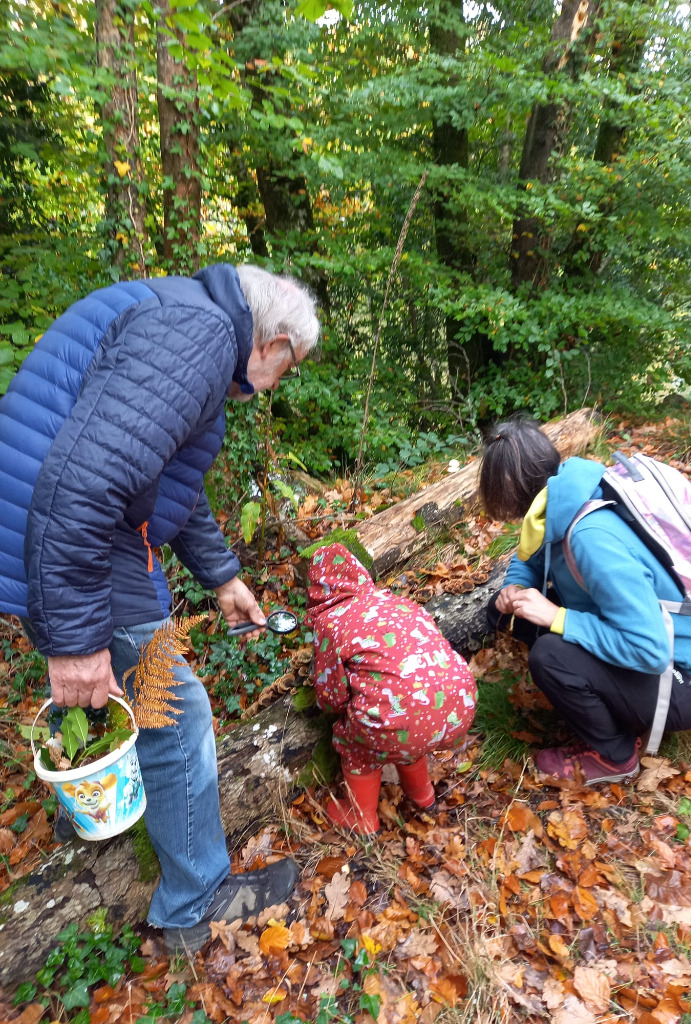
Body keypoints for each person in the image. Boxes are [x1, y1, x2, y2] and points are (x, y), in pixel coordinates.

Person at [0, 263, 320, 952]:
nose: (273, 386)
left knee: (123, 688)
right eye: (286, 370)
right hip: (68, 533)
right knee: (174, 711)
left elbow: (167, 476)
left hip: (51, 529)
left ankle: (93, 814)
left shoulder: (185, 317)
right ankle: (194, 901)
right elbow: (88, 482)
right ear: (273, 344)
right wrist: (76, 640)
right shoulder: (197, 335)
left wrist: (222, 577)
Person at [479, 418, 691, 784]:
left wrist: (557, 617)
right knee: (515, 613)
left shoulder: (590, 538)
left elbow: (650, 649)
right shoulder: (564, 497)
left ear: (509, 488)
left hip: (686, 683)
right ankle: (604, 700)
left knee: (550, 655)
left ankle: (614, 756)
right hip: (655, 646)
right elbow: (530, 555)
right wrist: (515, 586)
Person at [306, 543, 477, 834]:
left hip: (402, 721)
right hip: (460, 702)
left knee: (359, 743)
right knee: (413, 721)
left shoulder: (329, 622)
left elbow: (331, 697)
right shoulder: (395, 601)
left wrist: (345, 708)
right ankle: (423, 795)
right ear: (360, 574)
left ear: (317, 591)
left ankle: (361, 817)